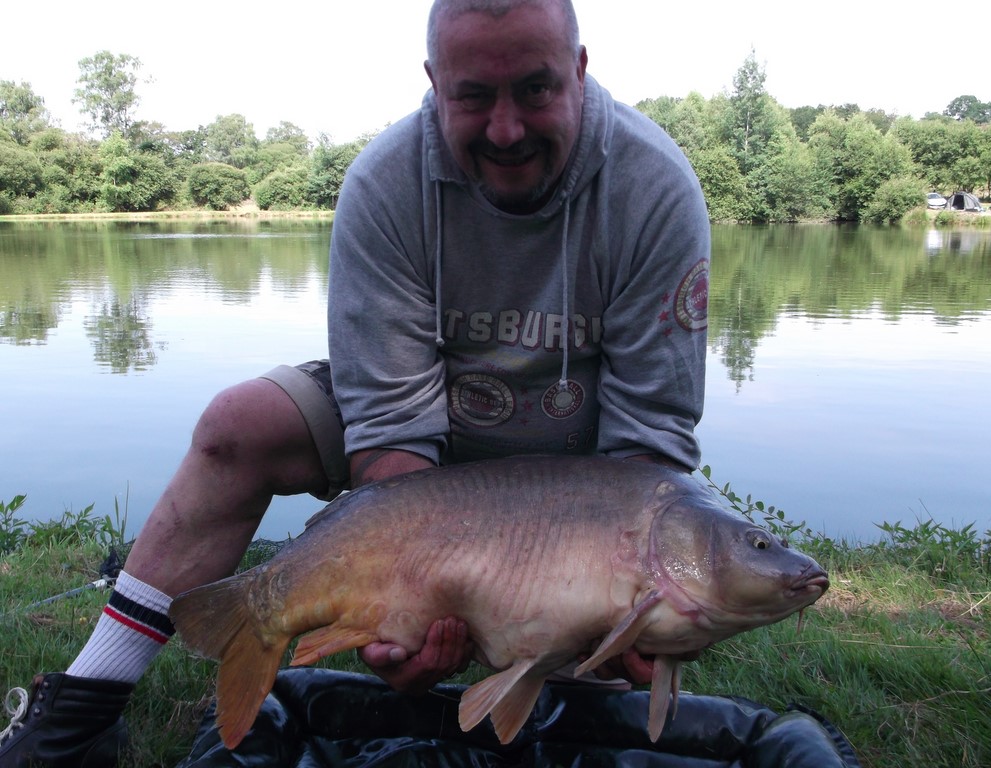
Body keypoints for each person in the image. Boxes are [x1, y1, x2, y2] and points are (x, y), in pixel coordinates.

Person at [0, 0, 710, 764]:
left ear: (579, 69)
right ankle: (83, 709)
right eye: (474, 96)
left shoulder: (654, 189)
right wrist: (400, 602)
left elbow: (647, 446)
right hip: (425, 436)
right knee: (239, 426)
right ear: (435, 84)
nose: (506, 129)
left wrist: (628, 598)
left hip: (571, 468)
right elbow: (391, 428)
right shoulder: (385, 184)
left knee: (582, 684)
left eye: (535, 89)